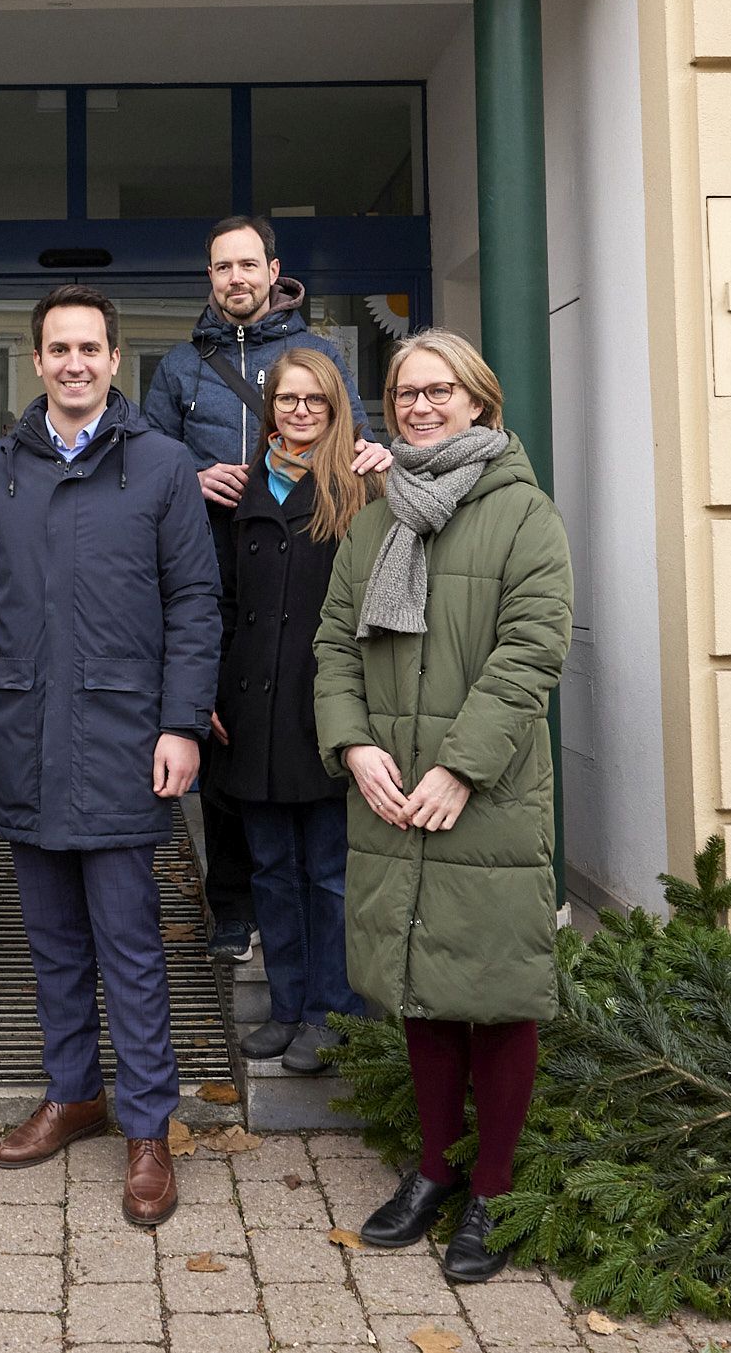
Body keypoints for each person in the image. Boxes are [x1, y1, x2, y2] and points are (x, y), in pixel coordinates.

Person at [0, 285, 221, 1229]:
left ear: (114, 359)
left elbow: (194, 605)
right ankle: (74, 1093)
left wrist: (182, 723)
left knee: (131, 948)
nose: (72, 362)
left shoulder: (162, 465)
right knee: (51, 941)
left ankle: (149, 1126)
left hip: (121, 742)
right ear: (36, 362)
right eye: (56, 348)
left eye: (89, 348)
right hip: (21, 735)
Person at [313, 330, 570, 1286]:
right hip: (390, 784)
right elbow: (335, 645)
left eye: (437, 391)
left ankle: (492, 1190)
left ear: (478, 401)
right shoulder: (376, 523)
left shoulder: (523, 515)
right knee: (421, 984)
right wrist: (354, 744)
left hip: (484, 793)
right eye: (403, 393)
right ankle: (432, 1170)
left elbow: (530, 652)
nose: (418, 406)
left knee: (494, 991)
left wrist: (460, 767)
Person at [141, 215, 388, 962]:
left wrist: (373, 453)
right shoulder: (181, 367)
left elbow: (358, 433)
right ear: (209, 278)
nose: (235, 278)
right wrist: (189, 472)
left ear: (272, 269)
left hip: (303, 558)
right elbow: (147, 455)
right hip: (212, 567)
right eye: (222, 267)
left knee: (302, 737)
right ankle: (230, 904)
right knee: (225, 741)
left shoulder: (317, 354)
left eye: (247, 264)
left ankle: (313, 925)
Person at [212, 346, 370, 1077]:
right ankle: (284, 1005)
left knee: (329, 869)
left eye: (314, 400)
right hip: (251, 708)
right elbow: (215, 601)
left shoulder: (358, 491)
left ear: (335, 410)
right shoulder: (240, 490)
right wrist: (209, 693)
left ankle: (329, 1010)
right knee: (271, 867)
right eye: (286, 399)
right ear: (268, 407)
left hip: (325, 707)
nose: (299, 411)